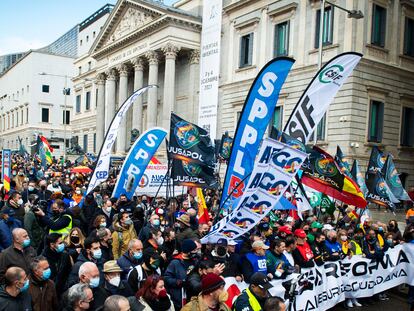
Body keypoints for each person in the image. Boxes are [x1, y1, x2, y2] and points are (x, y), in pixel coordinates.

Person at [164, 239, 199, 310]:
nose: (196, 252)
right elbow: (166, 278)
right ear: (188, 251)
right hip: (179, 299)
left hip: (193, 297)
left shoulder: (196, 260)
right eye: (194, 250)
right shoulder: (175, 263)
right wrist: (178, 282)